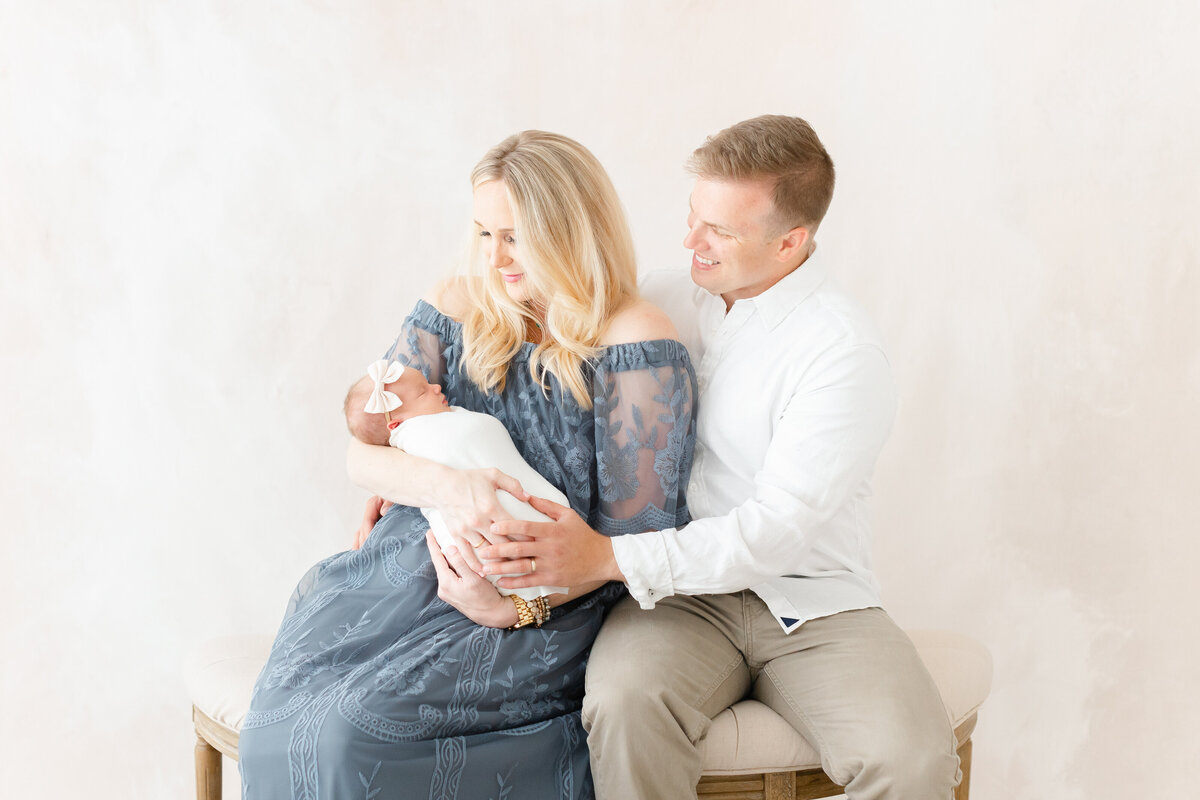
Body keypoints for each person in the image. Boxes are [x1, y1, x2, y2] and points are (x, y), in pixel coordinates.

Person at [480, 116, 962, 799]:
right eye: (692, 216)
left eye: (720, 232)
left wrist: (606, 558)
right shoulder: (665, 298)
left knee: (910, 762)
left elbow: (772, 532)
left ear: (791, 241)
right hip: (680, 601)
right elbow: (543, 384)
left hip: (811, 600)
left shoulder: (842, 354)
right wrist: (428, 471)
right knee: (622, 706)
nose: (689, 241)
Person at [238, 130, 697, 800]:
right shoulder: (458, 304)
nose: (496, 256)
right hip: (412, 563)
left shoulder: (634, 339)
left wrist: (518, 607)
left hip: (538, 597)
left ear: (571, 230)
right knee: (279, 726)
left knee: (348, 736)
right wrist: (443, 485)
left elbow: (637, 546)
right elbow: (363, 444)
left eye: (515, 237)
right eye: (484, 233)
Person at [344, 359, 568, 599]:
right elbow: (359, 454)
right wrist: (392, 486)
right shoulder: (414, 436)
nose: (437, 387)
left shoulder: (428, 415)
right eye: (423, 392)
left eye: (428, 383)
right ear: (397, 425)